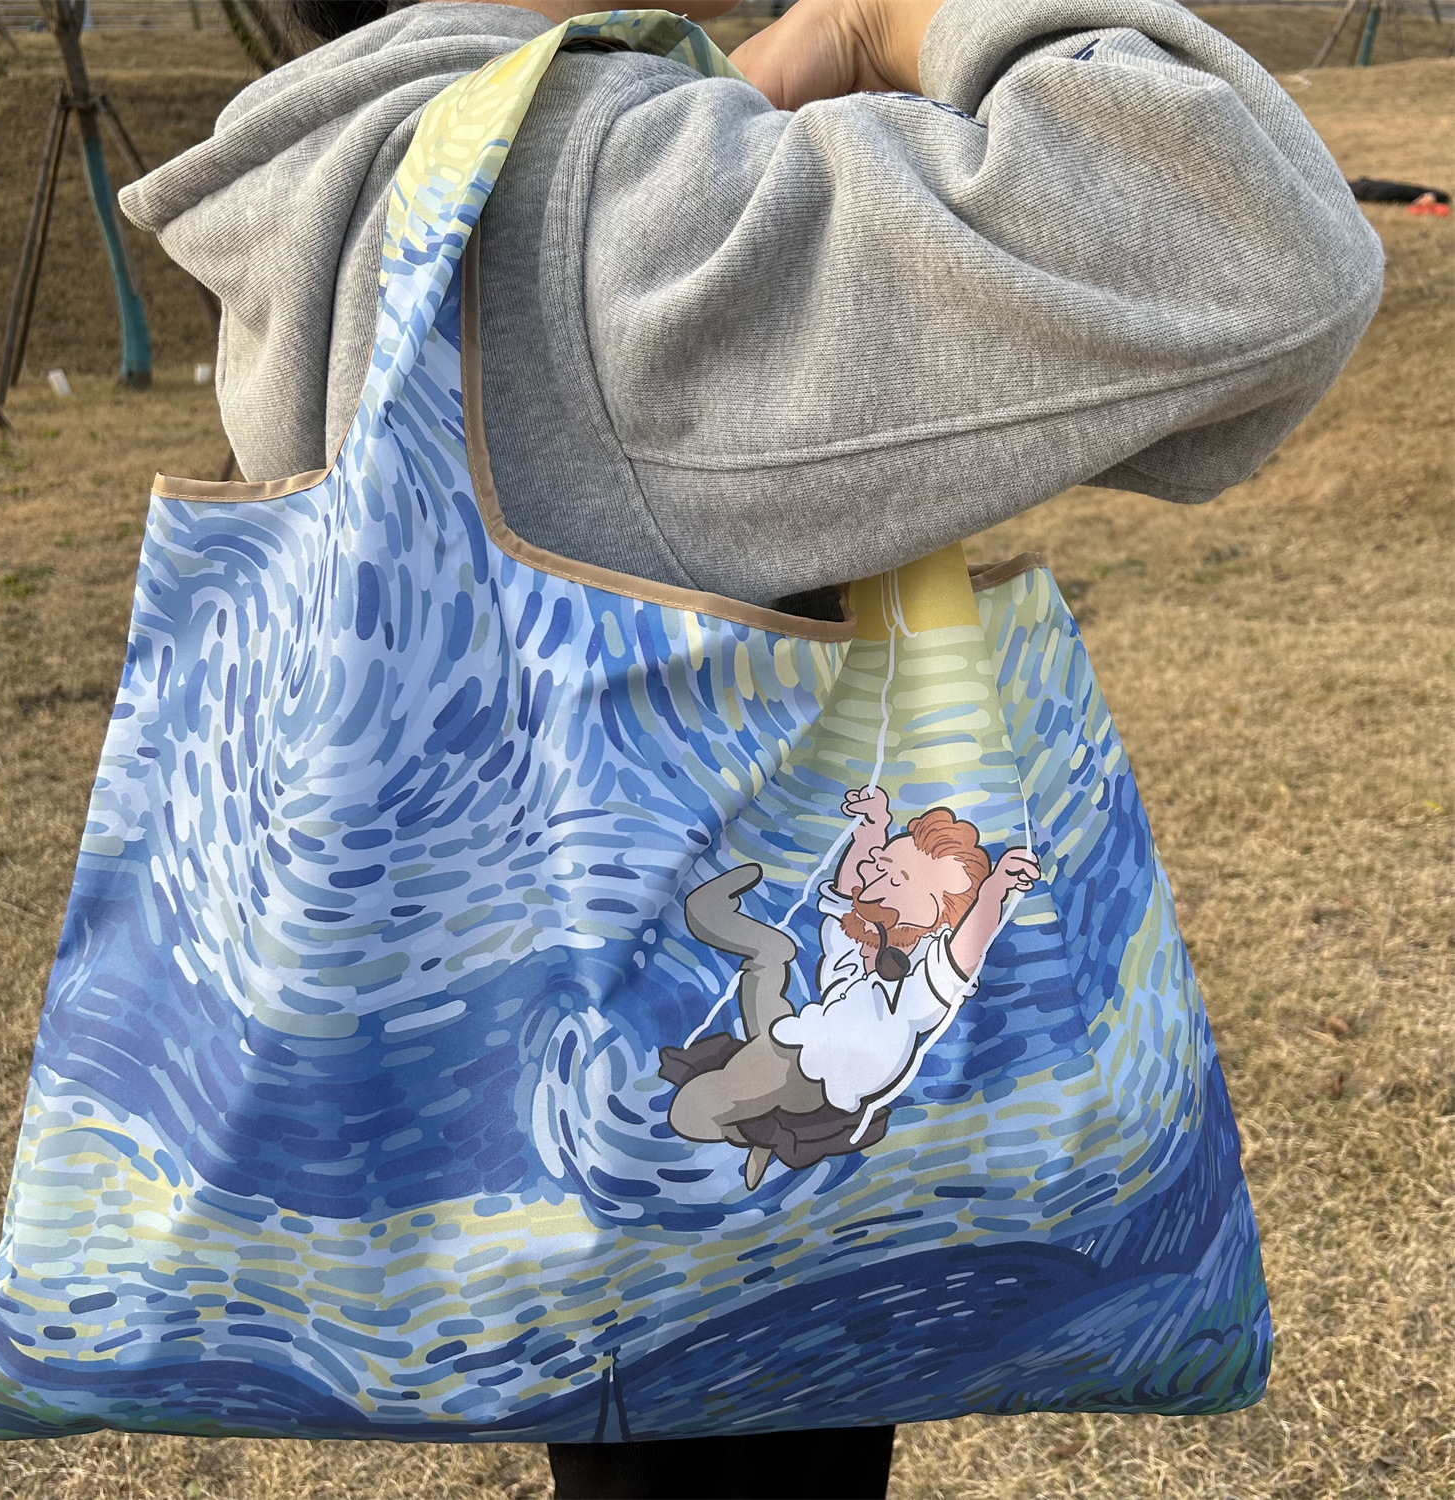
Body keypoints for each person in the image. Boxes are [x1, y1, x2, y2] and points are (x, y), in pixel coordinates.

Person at [118, 0, 1383, 1493]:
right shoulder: (617, 209)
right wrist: (895, 19)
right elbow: (1258, 241)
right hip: (732, 1269)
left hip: (562, 1089)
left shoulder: (348, 175)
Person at [662, 789, 1040, 1188]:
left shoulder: (923, 979)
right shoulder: (864, 936)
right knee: (771, 956)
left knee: (689, 1112)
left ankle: (759, 1132)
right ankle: (709, 916)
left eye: (898, 880)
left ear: (938, 914)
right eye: (882, 866)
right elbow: (846, 896)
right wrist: (872, 830)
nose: (875, 878)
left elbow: (964, 955)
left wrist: (994, 891)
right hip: (801, 1032)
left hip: (809, 1071)